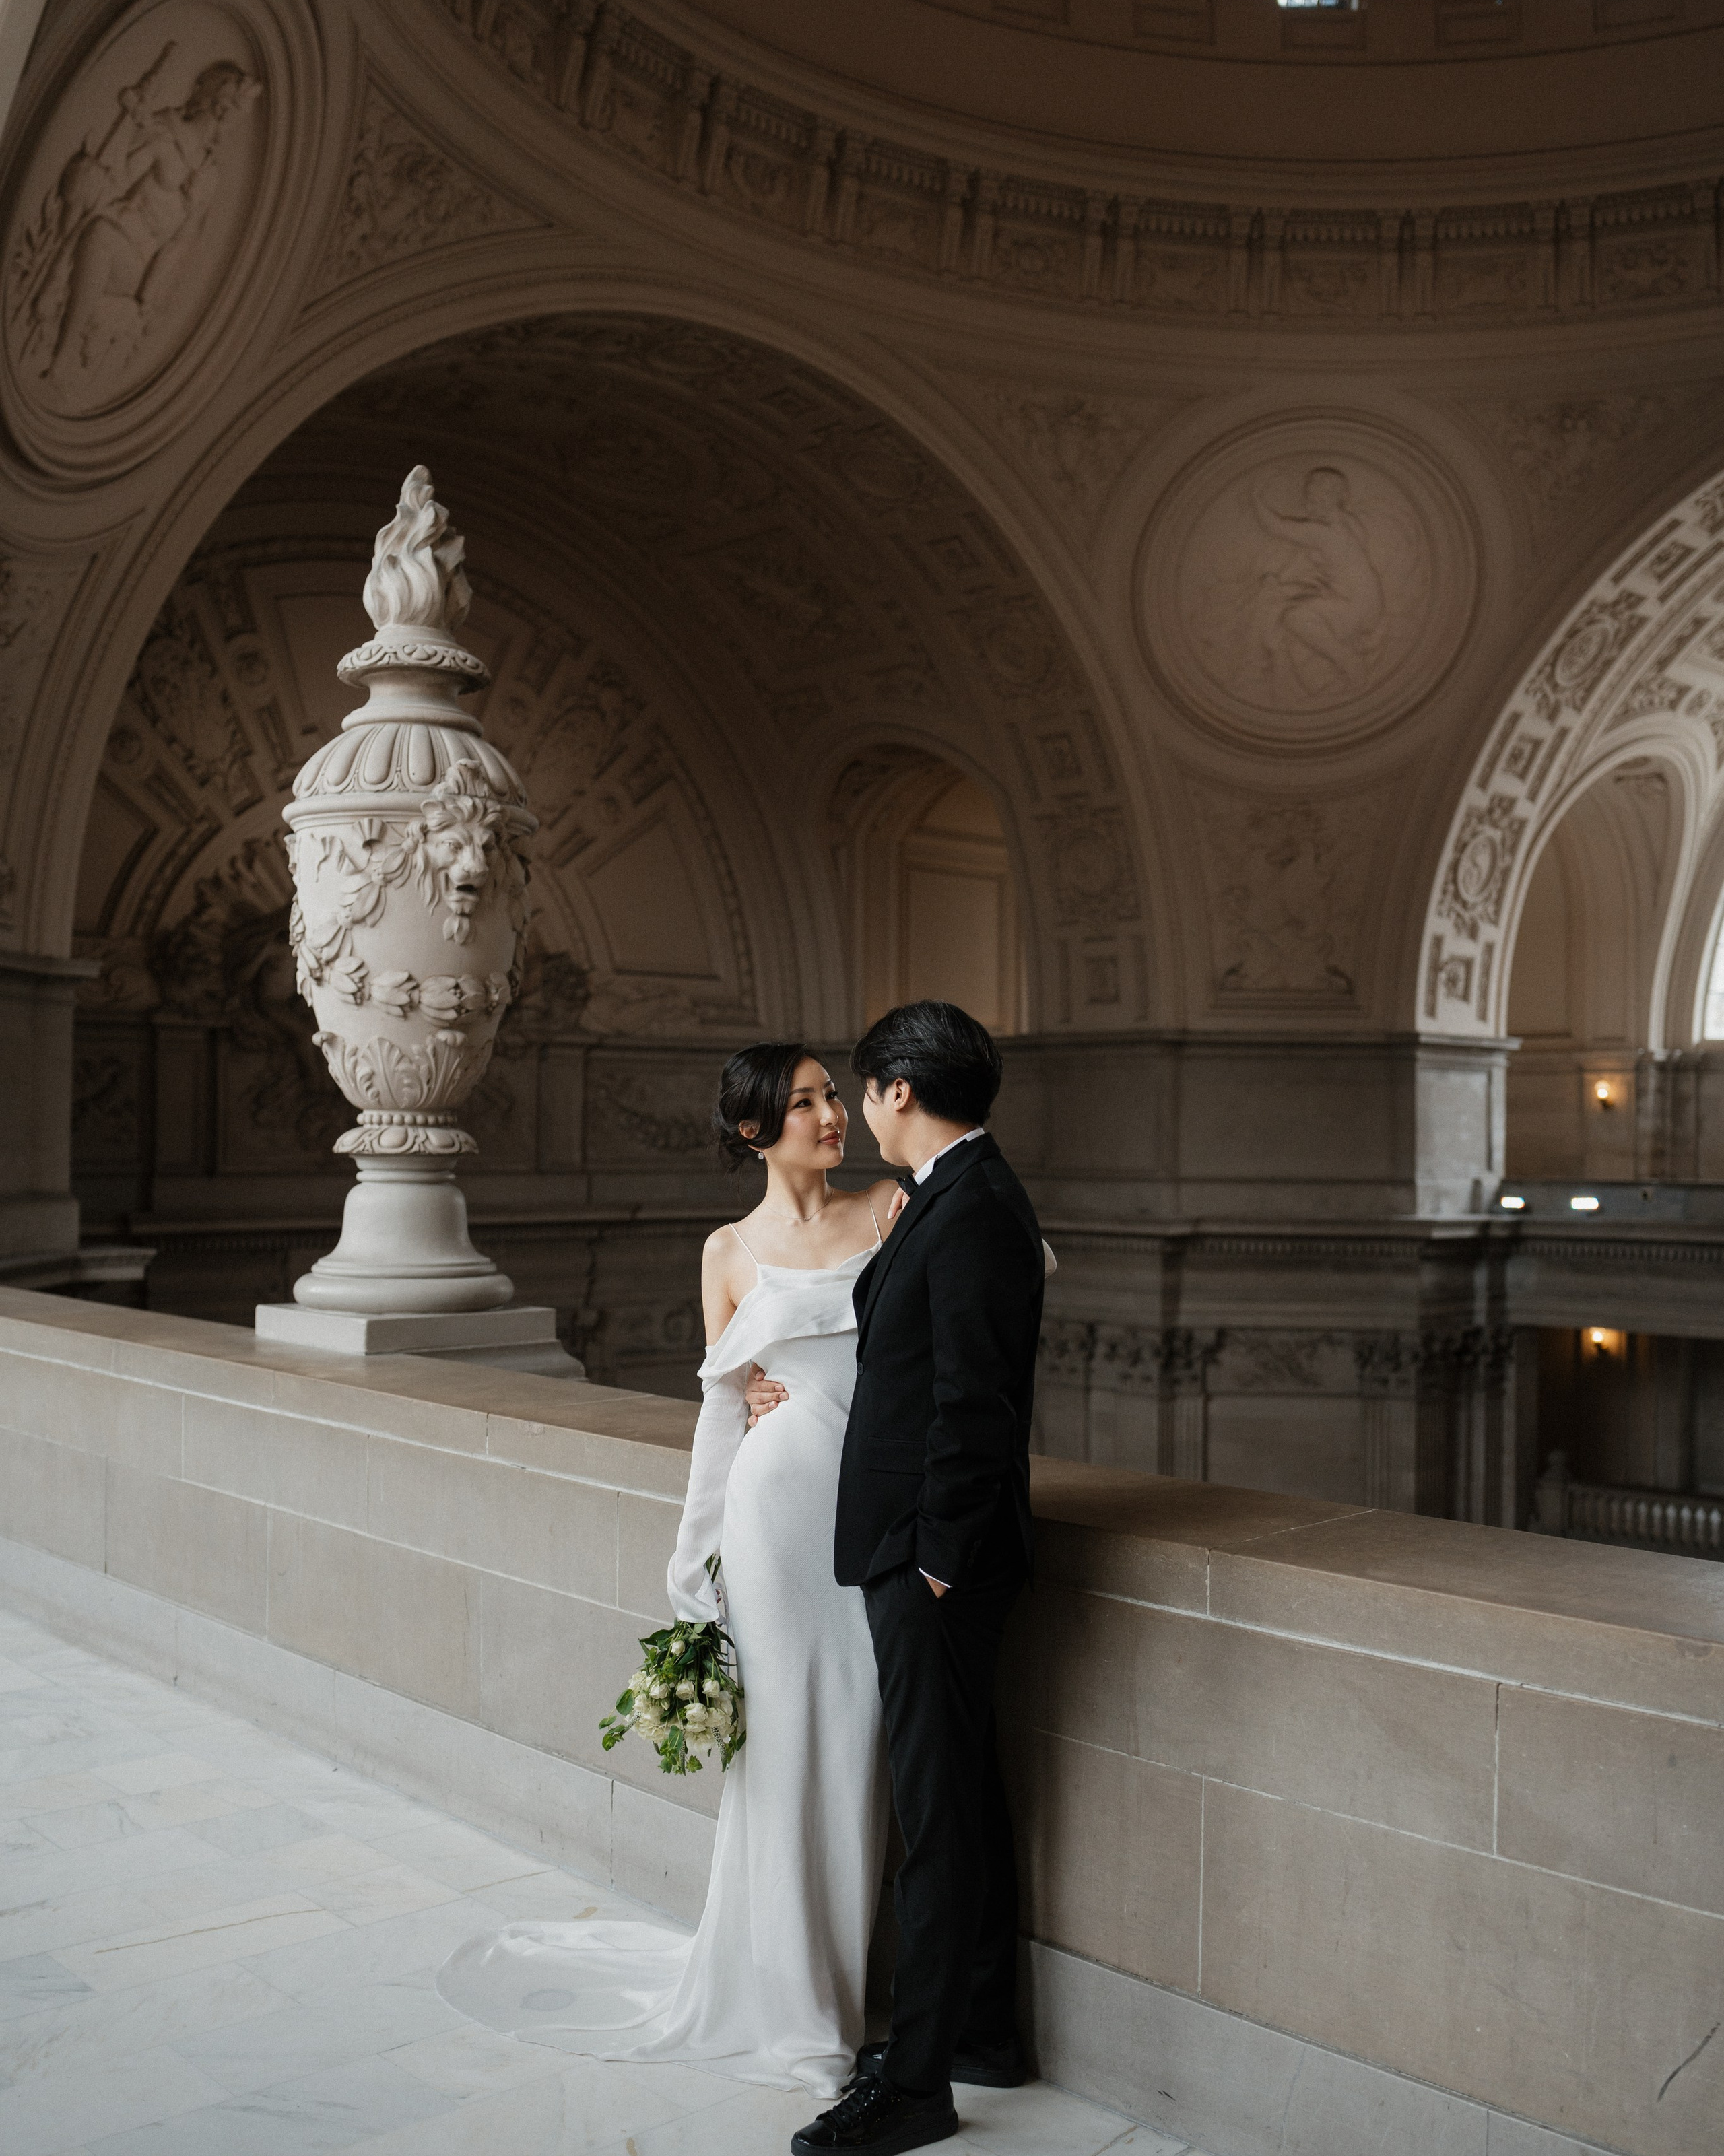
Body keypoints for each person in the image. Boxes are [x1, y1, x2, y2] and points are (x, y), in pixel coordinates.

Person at [436, 1044, 902, 2095]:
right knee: (782, 1754)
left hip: (868, 1519)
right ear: (754, 1130)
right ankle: (799, 2007)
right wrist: (692, 1565)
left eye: (834, 1095)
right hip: (774, 1530)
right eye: (805, 1102)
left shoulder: (889, 1210)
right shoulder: (728, 1251)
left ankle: (847, 1977)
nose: (833, 1114)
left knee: (858, 1740)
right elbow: (724, 1409)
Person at [785, 1001, 1045, 2156]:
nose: (859, 1111)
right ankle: (983, 2030)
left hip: (935, 1562)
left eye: (863, 1090)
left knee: (933, 1821)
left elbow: (973, 1400)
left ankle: (921, 2085)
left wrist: (936, 1558)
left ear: (897, 1089)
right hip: (922, 1553)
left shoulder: (975, 1205)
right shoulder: (950, 1194)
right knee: (964, 1802)